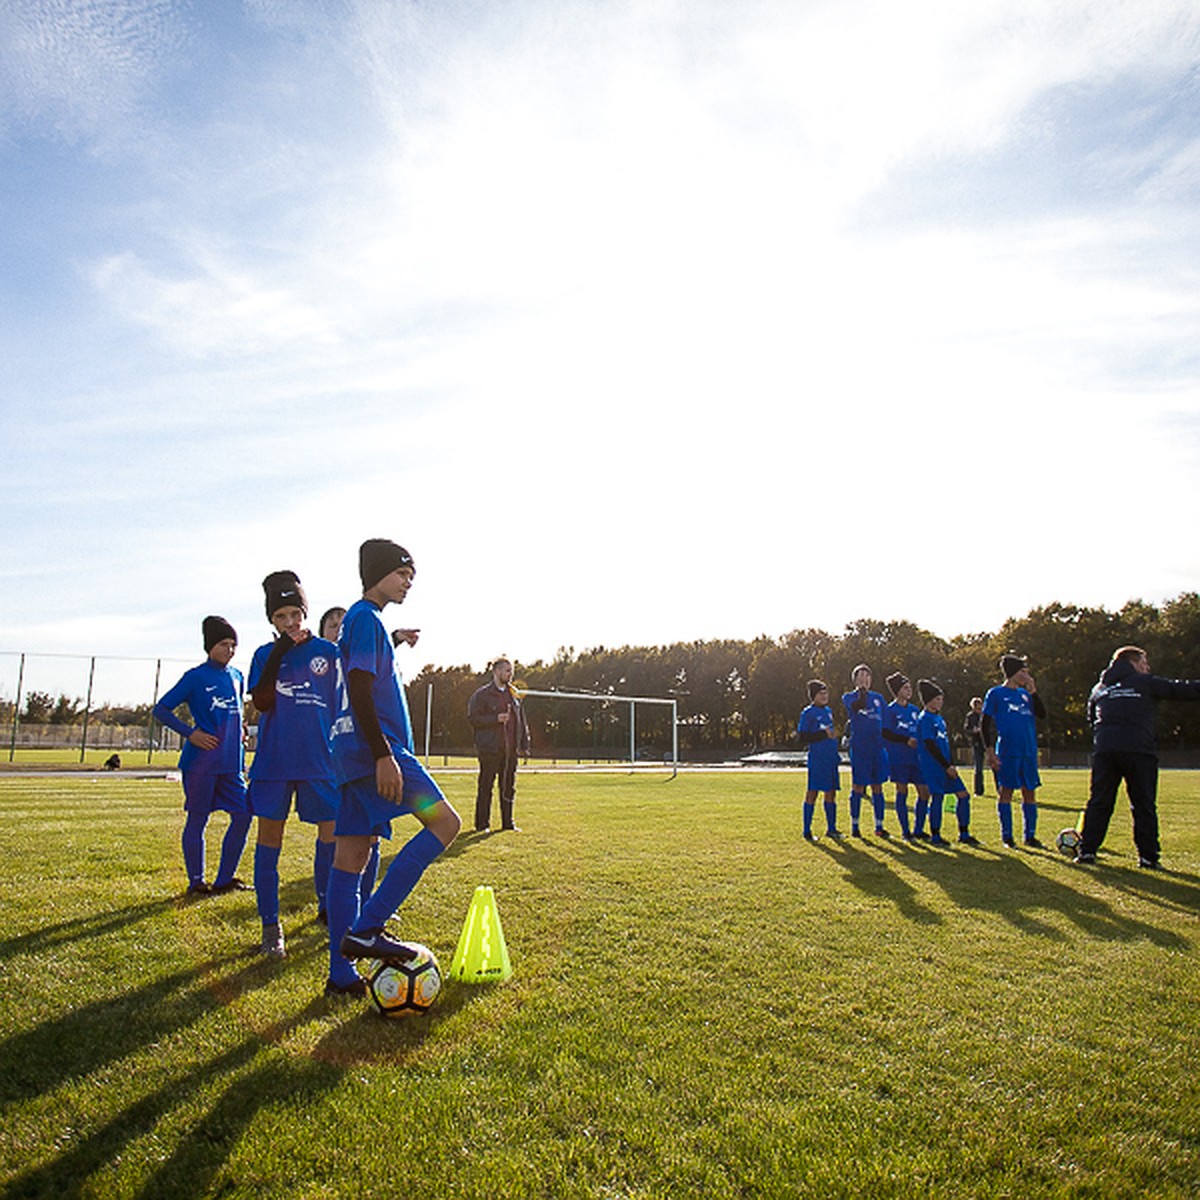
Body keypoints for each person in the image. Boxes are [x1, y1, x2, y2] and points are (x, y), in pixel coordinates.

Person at [324, 539, 461, 998]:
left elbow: (366, 678)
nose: (408, 583)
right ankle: (371, 926)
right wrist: (384, 753)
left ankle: (341, 975)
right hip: (374, 752)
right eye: (403, 574)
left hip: (349, 753)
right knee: (446, 823)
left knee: (350, 858)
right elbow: (361, 689)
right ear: (379, 573)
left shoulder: (366, 623)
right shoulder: (364, 618)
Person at [246, 571, 339, 958]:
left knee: (331, 836)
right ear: (271, 620)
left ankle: (327, 906)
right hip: (275, 762)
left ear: (305, 613)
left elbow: (341, 703)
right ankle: (271, 926)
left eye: (295, 614)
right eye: (281, 616)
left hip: (320, 762)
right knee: (270, 842)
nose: (289, 623)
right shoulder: (264, 656)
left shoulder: (327, 653)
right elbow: (262, 703)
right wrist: (282, 651)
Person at [1076, 646, 1200, 869]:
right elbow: (1181, 689)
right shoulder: (1145, 682)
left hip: (1106, 751)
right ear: (1133, 662)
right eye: (1144, 662)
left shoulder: (1100, 688)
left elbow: (1091, 717)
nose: (1147, 667)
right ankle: (1148, 857)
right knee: (1143, 804)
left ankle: (1087, 851)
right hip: (1138, 751)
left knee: (1100, 801)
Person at [153, 616, 252, 895]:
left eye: (233, 645)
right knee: (198, 819)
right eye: (224, 644)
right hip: (201, 765)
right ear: (210, 646)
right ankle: (196, 882)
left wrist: (240, 728)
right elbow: (161, 709)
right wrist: (190, 733)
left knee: (243, 815)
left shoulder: (236, 676)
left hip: (232, 764)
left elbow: (235, 712)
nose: (230, 650)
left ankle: (224, 879)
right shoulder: (195, 677)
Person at [982, 654, 1045, 848]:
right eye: (1023, 672)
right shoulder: (996, 694)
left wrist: (1033, 692)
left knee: (1030, 792)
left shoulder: (1025, 695)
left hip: (1028, 750)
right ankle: (1007, 836)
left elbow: (1042, 715)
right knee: (1006, 791)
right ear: (1012, 673)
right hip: (1008, 750)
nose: (1027, 676)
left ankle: (1030, 835)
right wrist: (990, 751)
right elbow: (985, 724)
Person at [467, 656, 531, 833]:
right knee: (486, 787)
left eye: (512, 671)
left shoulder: (514, 696)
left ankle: (507, 823)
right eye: (507, 670)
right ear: (496, 671)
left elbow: (521, 720)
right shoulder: (481, 695)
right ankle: (482, 825)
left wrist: (524, 744)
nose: (510, 674)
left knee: (508, 787)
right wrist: (495, 719)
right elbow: (473, 719)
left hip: (510, 751)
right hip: (489, 749)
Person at [915, 680, 977, 846]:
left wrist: (951, 764)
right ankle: (935, 835)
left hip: (946, 766)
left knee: (963, 795)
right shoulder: (925, 719)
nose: (940, 702)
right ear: (928, 700)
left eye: (941, 699)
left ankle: (964, 832)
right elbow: (930, 745)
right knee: (937, 797)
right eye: (937, 699)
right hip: (933, 766)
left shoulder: (940, 719)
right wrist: (945, 765)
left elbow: (945, 744)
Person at [841, 664, 889, 837]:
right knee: (858, 787)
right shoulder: (849, 697)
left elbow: (886, 721)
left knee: (878, 787)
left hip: (877, 748)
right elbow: (856, 706)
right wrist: (862, 691)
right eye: (861, 676)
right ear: (855, 679)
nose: (865, 679)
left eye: (867, 676)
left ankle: (879, 826)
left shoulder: (879, 698)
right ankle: (855, 826)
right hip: (860, 748)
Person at [882, 673, 924, 841]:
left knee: (924, 791)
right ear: (897, 691)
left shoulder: (915, 710)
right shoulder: (890, 710)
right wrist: (906, 740)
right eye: (905, 688)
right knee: (902, 790)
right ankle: (906, 831)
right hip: (899, 757)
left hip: (916, 757)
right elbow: (886, 733)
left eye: (909, 688)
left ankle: (919, 829)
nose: (909, 691)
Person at [796, 680, 841, 840]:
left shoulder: (828, 711)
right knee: (812, 793)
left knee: (831, 793)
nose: (824, 696)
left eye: (826, 693)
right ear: (813, 696)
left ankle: (832, 829)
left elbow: (829, 731)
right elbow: (802, 737)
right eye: (821, 693)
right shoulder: (808, 713)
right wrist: (823, 735)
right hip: (817, 759)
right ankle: (807, 831)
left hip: (830, 759)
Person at [963, 697, 986, 797]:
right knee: (978, 768)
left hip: (987, 742)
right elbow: (967, 730)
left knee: (995, 766)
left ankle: (1000, 788)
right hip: (977, 743)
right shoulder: (970, 717)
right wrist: (974, 731)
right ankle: (978, 790)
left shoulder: (986, 715)